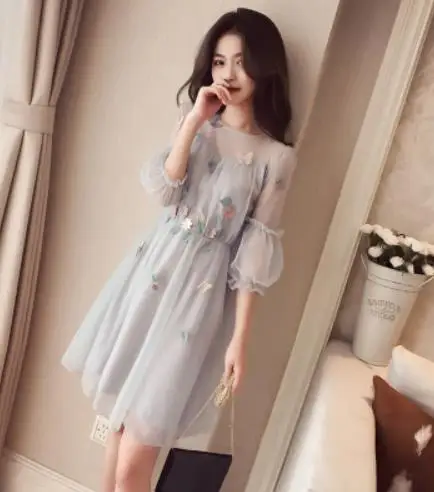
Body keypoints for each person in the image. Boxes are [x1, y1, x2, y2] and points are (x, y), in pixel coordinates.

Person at [62, 7, 297, 492]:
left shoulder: (276, 158)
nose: (228, 74)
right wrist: (195, 119)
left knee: (137, 453)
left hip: (197, 300)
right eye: (219, 61)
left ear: (264, 67)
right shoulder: (198, 127)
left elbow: (254, 256)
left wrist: (239, 340)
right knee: (118, 427)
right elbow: (165, 190)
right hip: (150, 276)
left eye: (241, 62)